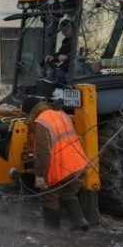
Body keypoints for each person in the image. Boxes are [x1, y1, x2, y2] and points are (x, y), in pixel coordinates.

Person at [23, 97, 90, 231]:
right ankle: (80, 222)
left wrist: (40, 178)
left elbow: (43, 155)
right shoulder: (61, 114)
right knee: (69, 194)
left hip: (59, 169)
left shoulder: (40, 123)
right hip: (77, 164)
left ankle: (52, 232)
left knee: (48, 197)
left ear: (31, 112)